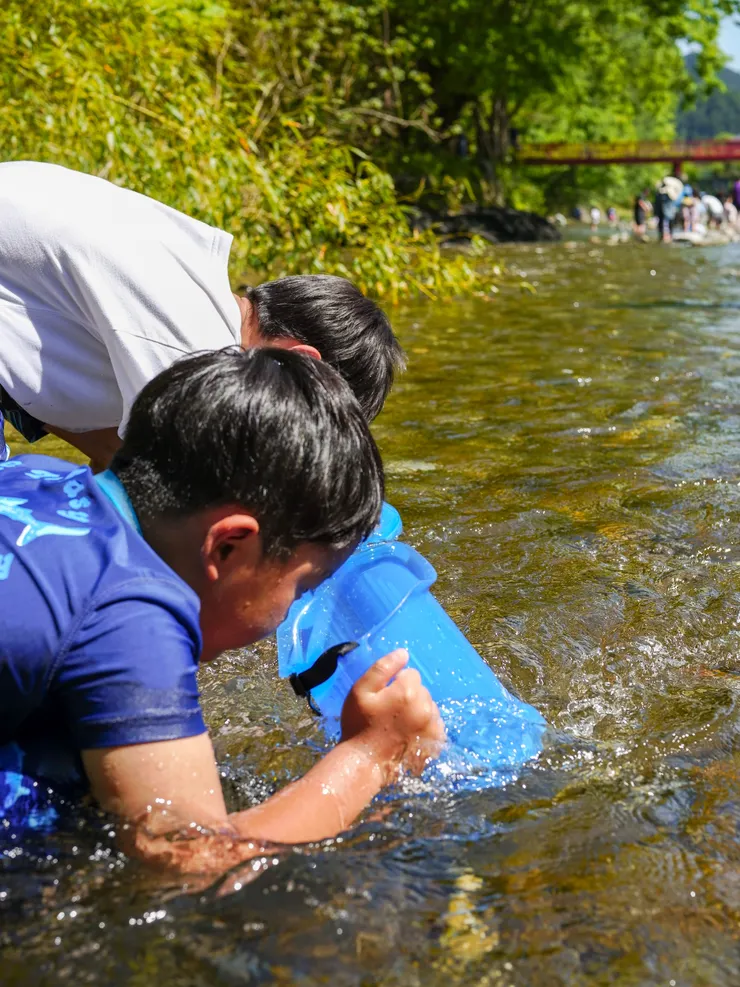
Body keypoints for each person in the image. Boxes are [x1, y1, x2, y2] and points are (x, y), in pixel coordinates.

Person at [0, 347, 444, 874]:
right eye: (301, 587)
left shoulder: (34, 477)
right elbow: (191, 861)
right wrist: (370, 755)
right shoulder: (130, 614)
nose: (289, 616)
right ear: (228, 546)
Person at [0, 161, 405, 467]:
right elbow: (160, 500)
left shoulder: (191, 281)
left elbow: (108, 449)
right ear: (301, 359)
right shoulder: (193, 345)